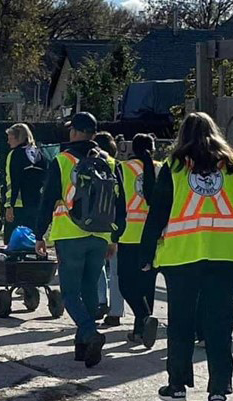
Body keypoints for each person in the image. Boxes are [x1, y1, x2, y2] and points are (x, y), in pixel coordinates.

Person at [140, 112, 233, 401]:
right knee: (219, 324)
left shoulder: (174, 166)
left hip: (183, 255)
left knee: (181, 323)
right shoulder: (232, 166)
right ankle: (218, 392)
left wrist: (146, 254)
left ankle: (177, 387)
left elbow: (158, 212)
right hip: (226, 253)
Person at [36, 112, 125, 369]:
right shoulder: (109, 161)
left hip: (69, 234)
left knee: (70, 293)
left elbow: (47, 200)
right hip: (100, 235)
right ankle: (82, 348)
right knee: (89, 290)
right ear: (94, 134)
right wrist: (114, 237)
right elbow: (120, 204)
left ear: (74, 132)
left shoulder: (62, 161)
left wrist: (39, 234)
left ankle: (90, 332)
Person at [118, 133, 160, 348]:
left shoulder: (123, 169)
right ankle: (141, 331)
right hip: (154, 236)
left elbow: (117, 201)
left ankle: (143, 317)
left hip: (129, 234)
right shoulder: (161, 168)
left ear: (132, 149)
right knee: (147, 285)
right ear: (153, 149)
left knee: (126, 284)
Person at [93, 131, 125, 327]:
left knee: (97, 267)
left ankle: (100, 302)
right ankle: (115, 311)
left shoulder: (92, 163)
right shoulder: (118, 166)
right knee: (115, 271)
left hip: (96, 223)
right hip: (116, 223)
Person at [4, 123, 47, 244]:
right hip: (36, 204)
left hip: (18, 205)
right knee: (32, 240)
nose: (8, 142)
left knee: (12, 242)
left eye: (10, 138)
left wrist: (9, 206)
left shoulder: (15, 154)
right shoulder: (39, 154)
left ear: (19, 138)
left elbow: (13, 182)